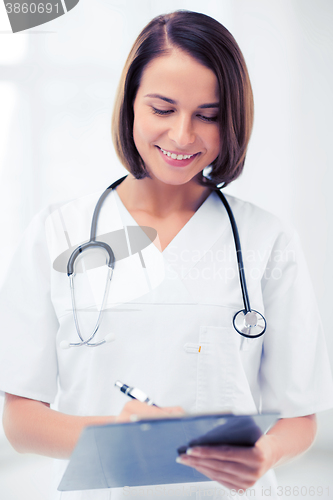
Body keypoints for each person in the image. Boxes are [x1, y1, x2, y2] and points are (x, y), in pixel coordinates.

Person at [0, 10, 332, 500]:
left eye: (209, 115)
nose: (182, 135)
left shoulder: (267, 240)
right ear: (130, 105)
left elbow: (299, 417)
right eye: (162, 109)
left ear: (233, 118)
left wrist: (265, 453)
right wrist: (113, 439)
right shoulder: (58, 233)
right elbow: (21, 423)